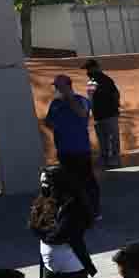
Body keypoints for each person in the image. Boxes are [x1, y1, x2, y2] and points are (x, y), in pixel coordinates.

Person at [43, 74, 100, 218]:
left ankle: (94, 210)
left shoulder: (81, 100)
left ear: (68, 86)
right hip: (63, 149)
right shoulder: (55, 104)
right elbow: (48, 122)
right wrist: (58, 125)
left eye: (59, 86)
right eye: (56, 87)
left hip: (81, 149)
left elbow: (82, 114)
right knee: (70, 182)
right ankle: (76, 210)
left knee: (87, 180)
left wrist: (69, 97)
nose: (56, 89)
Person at [83, 60, 121, 171]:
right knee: (102, 138)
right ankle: (104, 157)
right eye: (87, 69)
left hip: (110, 113)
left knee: (113, 137)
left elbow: (116, 94)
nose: (88, 71)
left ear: (96, 67)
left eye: (89, 68)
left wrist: (115, 106)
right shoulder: (91, 82)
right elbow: (90, 100)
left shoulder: (106, 80)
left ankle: (115, 158)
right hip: (98, 115)